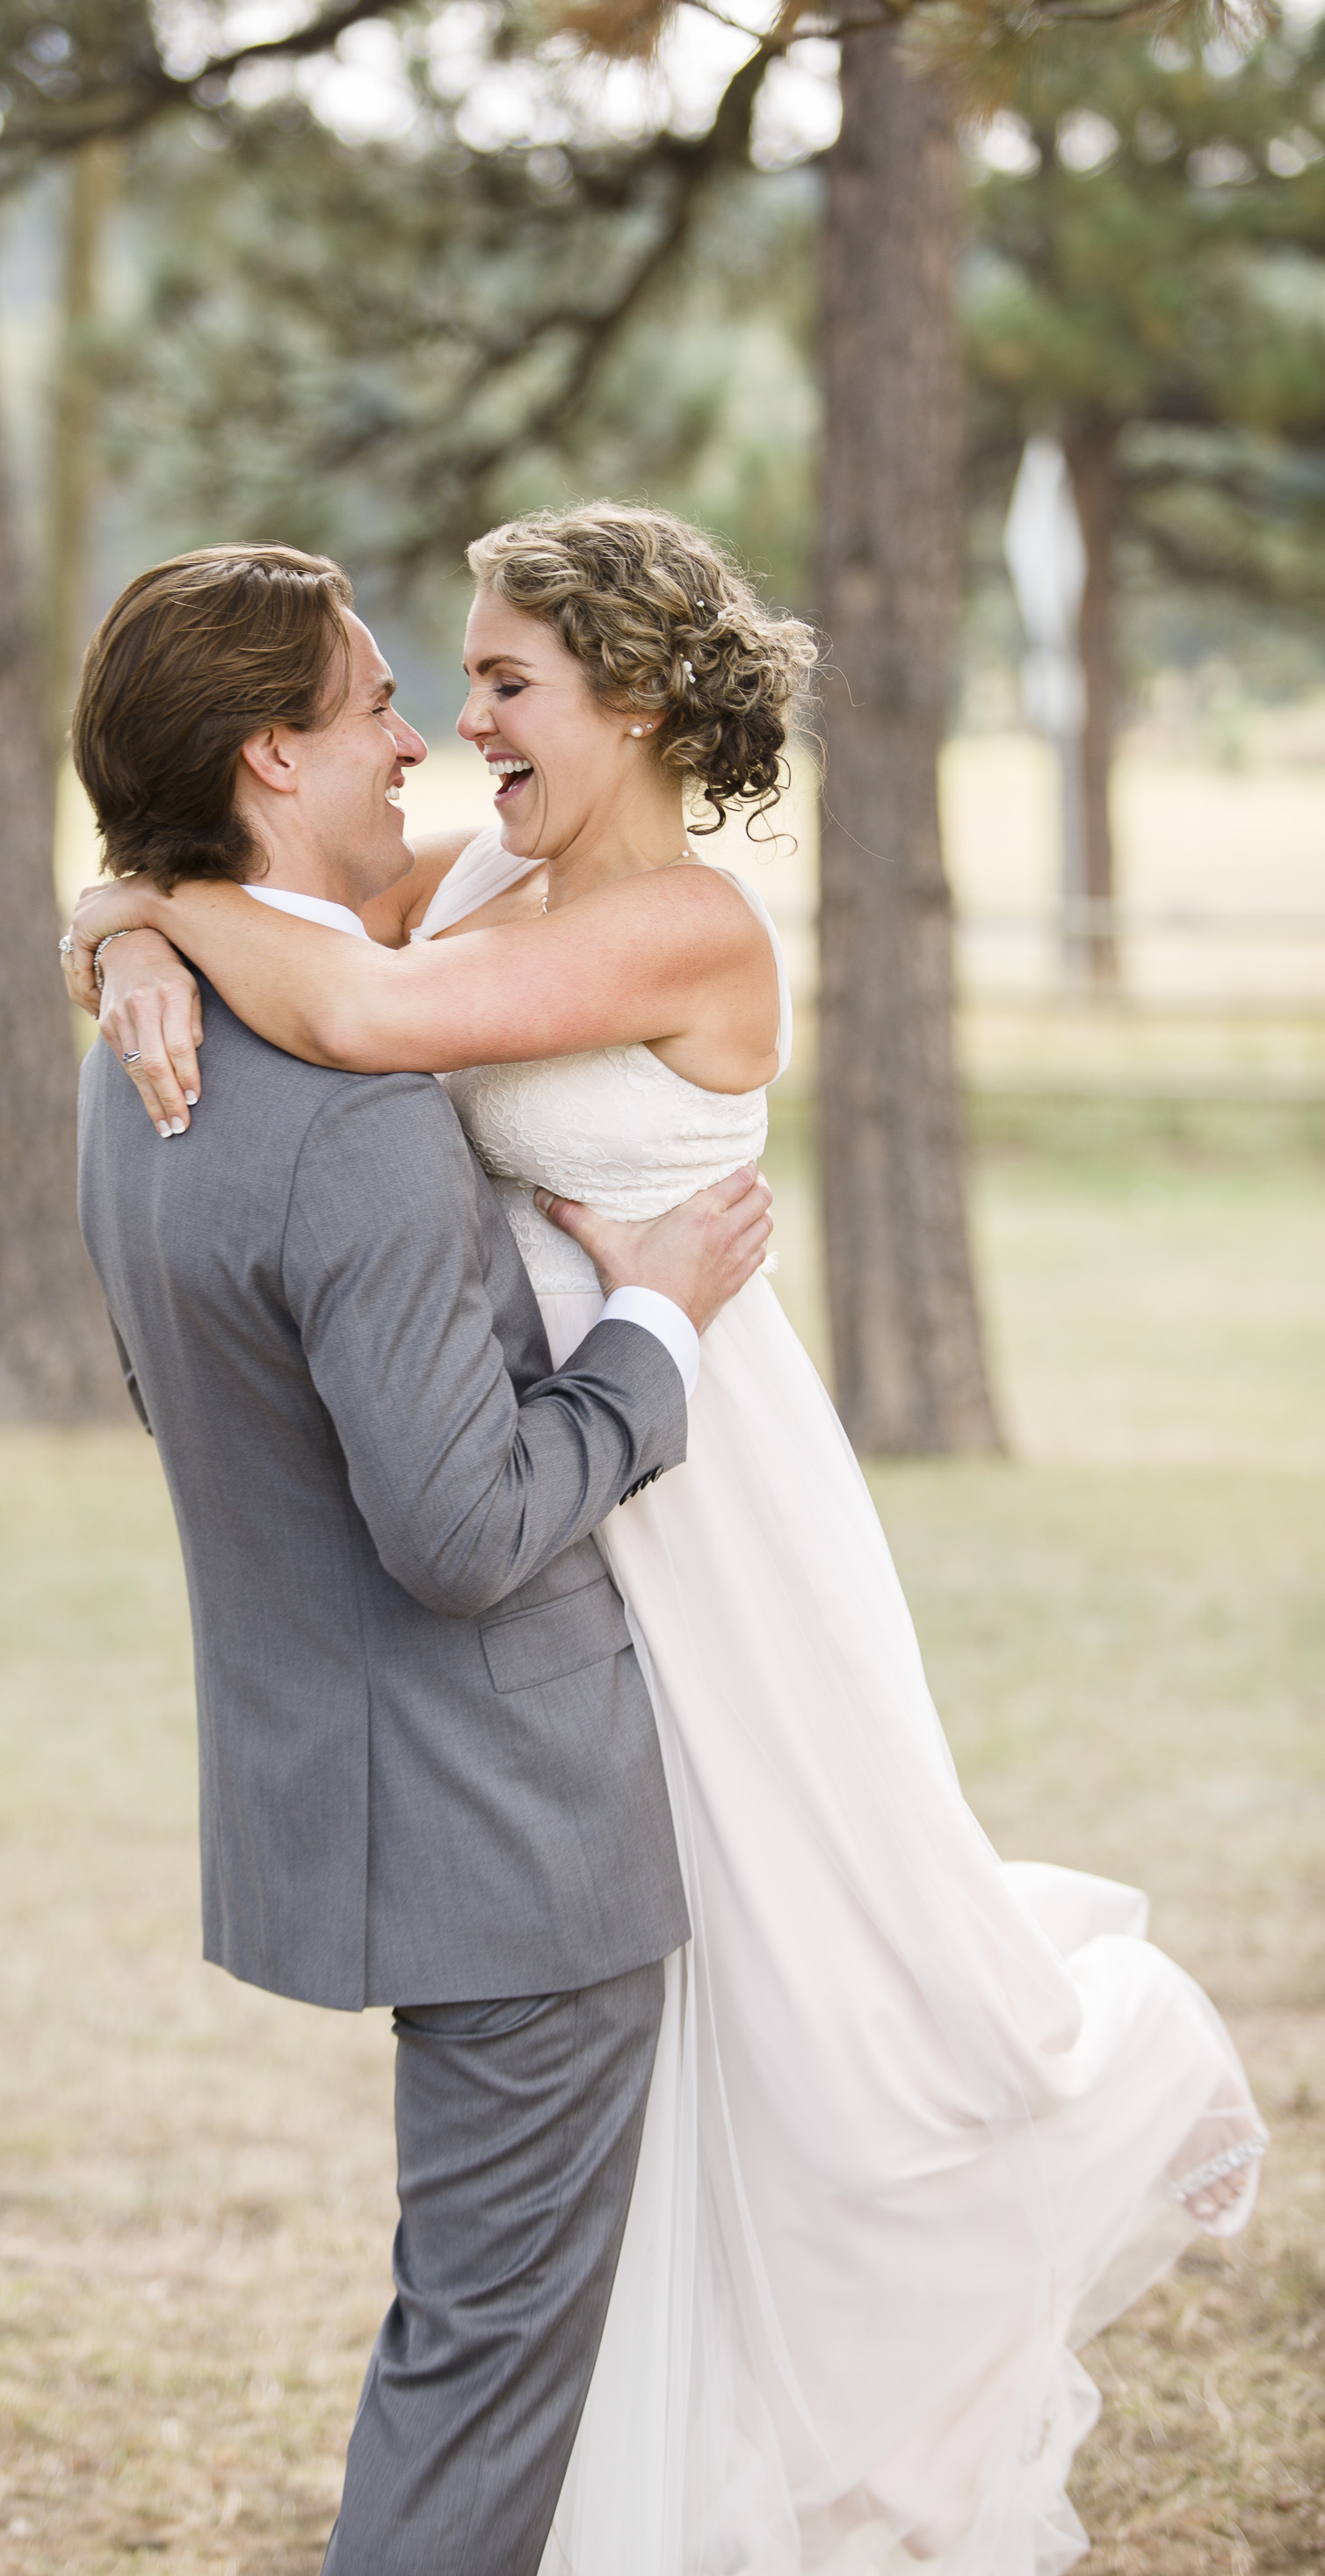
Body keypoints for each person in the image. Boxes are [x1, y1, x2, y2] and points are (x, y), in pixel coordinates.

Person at [66, 503, 1266, 2576]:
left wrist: (128, 907)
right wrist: (129, 921)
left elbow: (353, 1022)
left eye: (505, 679)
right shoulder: (486, 876)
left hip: (699, 1492)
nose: (458, 722)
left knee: (836, 2006)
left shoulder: (689, 928)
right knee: (642, 2132)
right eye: (427, 685)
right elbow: (336, 948)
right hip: (559, 1504)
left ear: (623, 698)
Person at [68, 541, 778, 2576]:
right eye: (380, 695)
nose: (418, 735)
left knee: (480, 2332)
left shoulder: (140, 1068)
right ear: (269, 754)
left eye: (474, 682)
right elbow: (461, 1529)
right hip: (509, 1804)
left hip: (378, 1766)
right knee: (477, 2379)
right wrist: (650, 1320)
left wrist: (127, 907)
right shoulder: (348, 1095)